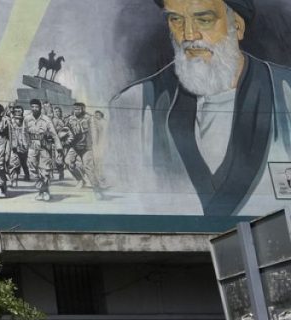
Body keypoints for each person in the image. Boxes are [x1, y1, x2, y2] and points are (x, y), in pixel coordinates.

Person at [112, 0, 291, 216]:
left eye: (204, 20)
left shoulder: (285, 92)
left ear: (238, 26)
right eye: (176, 20)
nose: (189, 35)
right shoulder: (133, 105)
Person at [23, 98, 63, 201]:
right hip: (32, 145)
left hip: (44, 145)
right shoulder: (27, 119)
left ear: (40, 108)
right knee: (32, 167)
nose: (35, 109)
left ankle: (44, 192)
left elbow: (54, 134)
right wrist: (25, 144)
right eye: (33, 107)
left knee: (45, 170)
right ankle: (42, 187)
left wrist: (59, 148)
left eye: (37, 107)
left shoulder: (46, 119)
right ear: (30, 108)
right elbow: (24, 133)